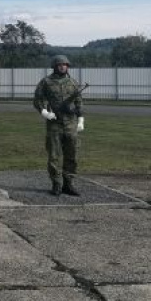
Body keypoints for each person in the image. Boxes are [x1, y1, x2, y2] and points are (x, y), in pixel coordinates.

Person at [33, 55, 85, 196]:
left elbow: (79, 102)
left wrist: (81, 119)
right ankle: (56, 184)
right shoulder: (46, 82)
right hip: (54, 124)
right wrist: (45, 112)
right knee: (54, 156)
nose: (63, 67)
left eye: (65, 64)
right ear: (55, 66)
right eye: (60, 65)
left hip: (71, 124)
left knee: (72, 155)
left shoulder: (73, 82)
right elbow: (38, 100)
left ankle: (68, 184)